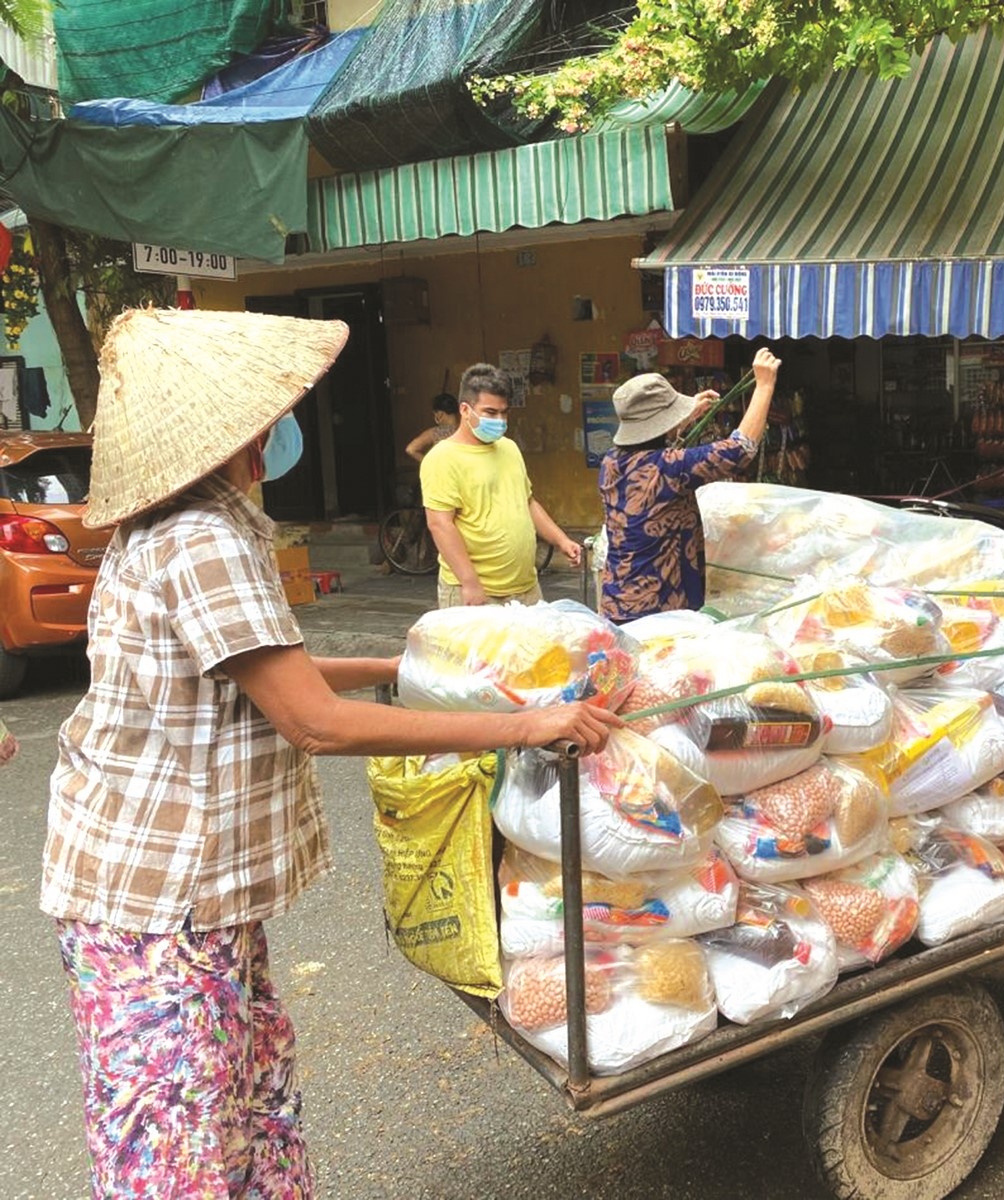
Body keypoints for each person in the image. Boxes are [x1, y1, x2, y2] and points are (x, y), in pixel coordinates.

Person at [39, 308, 621, 1197]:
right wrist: (527, 724)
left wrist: (405, 660)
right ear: (243, 430)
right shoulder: (203, 540)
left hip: (187, 895)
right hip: (158, 899)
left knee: (245, 1107)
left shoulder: (180, 525)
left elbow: (267, 671)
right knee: (185, 1146)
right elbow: (315, 721)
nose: (285, 425)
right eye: (277, 411)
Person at [598, 348, 781, 622]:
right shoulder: (667, 468)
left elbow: (658, 450)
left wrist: (682, 415)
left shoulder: (611, 462)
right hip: (657, 613)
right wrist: (765, 385)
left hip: (618, 601)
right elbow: (740, 449)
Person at [422, 363, 582, 608]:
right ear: (465, 409)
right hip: (478, 592)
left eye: (503, 412)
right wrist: (470, 582)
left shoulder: (509, 447)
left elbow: (527, 501)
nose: (499, 420)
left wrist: (561, 540)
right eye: (489, 412)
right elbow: (440, 524)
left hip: (526, 589)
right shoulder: (443, 458)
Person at [404, 391, 459, 462]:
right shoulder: (467, 430)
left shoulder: (435, 433)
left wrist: (430, 464)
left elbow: (411, 449)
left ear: (440, 414)